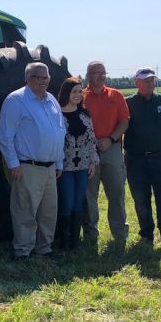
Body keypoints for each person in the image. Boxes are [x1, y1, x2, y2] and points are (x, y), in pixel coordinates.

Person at [0, 63, 66, 259]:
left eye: (46, 77)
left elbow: (60, 131)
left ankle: (45, 248)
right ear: (27, 78)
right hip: (28, 166)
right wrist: (13, 164)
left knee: (49, 211)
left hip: (50, 167)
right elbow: (5, 135)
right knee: (25, 210)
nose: (43, 81)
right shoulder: (16, 100)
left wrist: (59, 162)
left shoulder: (51, 100)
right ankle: (23, 250)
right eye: (38, 77)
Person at [124, 67, 161, 246]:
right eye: (146, 80)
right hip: (135, 159)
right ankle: (146, 234)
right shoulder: (127, 103)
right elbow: (119, 129)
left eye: (152, 80)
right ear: (137, 82)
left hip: (160, 158)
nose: (150, 83)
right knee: (140, 199)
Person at [82, 61, 131, 241]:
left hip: (112, 148)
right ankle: (90, 234)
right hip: (88, 151)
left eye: (104, 72)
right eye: (97, 72)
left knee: (116, 192)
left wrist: (110, 139)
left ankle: (120, 233)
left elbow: (124, 121)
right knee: (89, 194)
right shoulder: (81, 97)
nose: (102, 76)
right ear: (88, 75)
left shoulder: (115, 95)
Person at [56, 77, 99, 250]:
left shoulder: (85, 114)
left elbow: (91, 140)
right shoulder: (56, 115)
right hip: (65, 167)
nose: (78, 95)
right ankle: (64, 242)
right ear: (66, 93)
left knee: (78, 202)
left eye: (80, 92)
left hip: (83, 166)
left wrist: (93, 161)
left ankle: (75, 241)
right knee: (67, 201)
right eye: (74, 91)